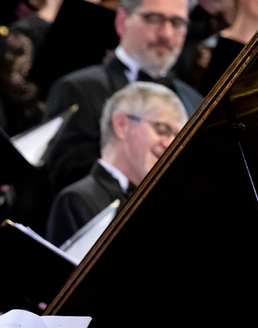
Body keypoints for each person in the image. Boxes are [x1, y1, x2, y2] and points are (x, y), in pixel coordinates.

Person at [43, 0, 202, 192]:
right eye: (154, 19)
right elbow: (65, 174)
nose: (166, 34)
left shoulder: (195, 102)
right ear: (122, 20)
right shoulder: (78, 88)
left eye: (177, 23)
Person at [45, 81, 186, 245]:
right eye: (162, 130)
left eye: (177, 138)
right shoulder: (77, 200)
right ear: (122, 124)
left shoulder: (165, 210)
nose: (170, 145)